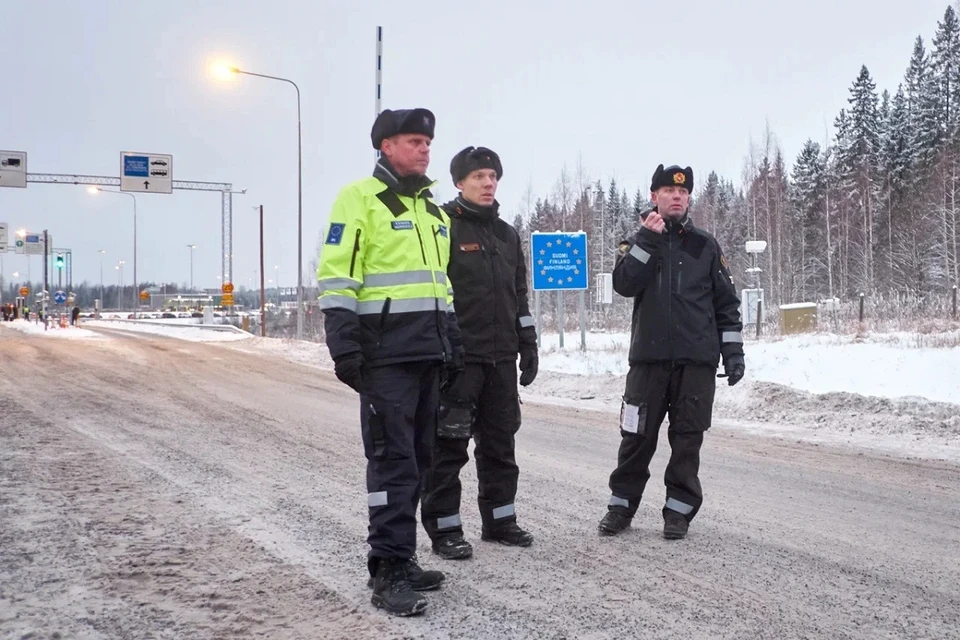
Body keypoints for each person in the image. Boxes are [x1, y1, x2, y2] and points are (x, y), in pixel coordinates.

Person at [317, 107, 463, 617]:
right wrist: (345, 346)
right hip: (384, 358)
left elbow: (439, 285)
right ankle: (387, 569)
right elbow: (338, 278)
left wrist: (453, 342)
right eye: (412, 141)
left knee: (421, 460)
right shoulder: (359, 199)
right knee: (392, 463)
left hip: (427, 353)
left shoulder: (432, 210)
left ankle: (403, 557)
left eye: (427, 141)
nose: (424, 149)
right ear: (385, 146)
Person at [597, 164, 744, 540]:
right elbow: (625, 284)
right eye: (668, 191)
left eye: (682, 192)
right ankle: (620, 507)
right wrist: (648, 240)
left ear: (689, 197)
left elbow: (726, 304)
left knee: (687, 439)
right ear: (654, 197)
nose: (676, 196)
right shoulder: (637, 241)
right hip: (648, 362)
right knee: (636, 437)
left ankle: (678, 513)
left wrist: (733, 352)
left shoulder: (705, 246)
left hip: (696, 363)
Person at [420, 146, 538, 560]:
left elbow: (518, 295)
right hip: (459, 360)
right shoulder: (443, 227)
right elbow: (433, 294)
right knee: (448, 447)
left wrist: (528, 345)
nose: (488, 184)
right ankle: (445, 530)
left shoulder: (507, 235)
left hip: (501, 359)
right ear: (459, 183)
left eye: (493, 177)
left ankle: (500, 521)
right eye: (479, 178)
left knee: (500, 445)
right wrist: (441, 350)